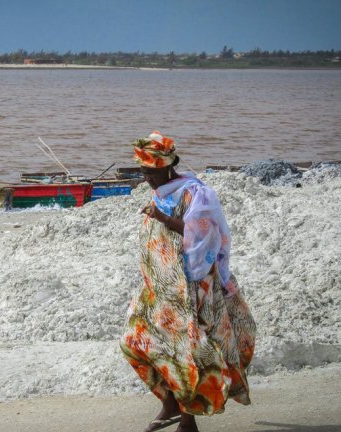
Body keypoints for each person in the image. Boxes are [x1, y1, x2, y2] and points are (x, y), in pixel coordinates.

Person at [120, 131, 256, 432]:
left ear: (167, 167)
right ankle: (170, 404)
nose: (148, 180)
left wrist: (164, 219)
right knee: (135, 342)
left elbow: (204, 238)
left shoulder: (197, 194)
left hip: (192, 287)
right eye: (143, 173)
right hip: (160, 285)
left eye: (151, 173)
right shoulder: (163, 191)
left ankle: (187, 420)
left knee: (186, 350)